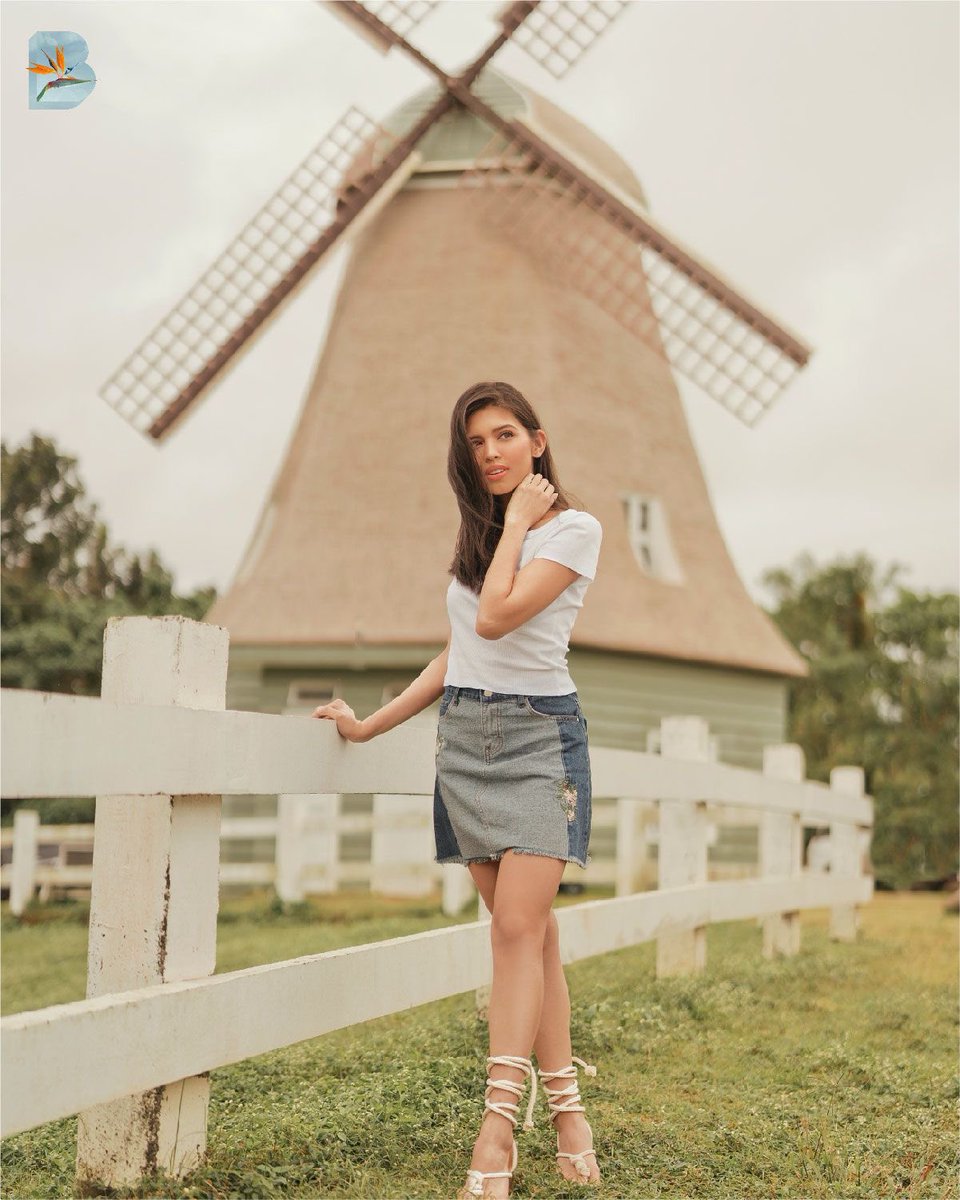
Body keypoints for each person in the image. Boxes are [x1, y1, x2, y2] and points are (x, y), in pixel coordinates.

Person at [312, 380, 603, 1198]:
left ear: (538, 442)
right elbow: (458, 656)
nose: (491, 453)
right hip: (466, 743)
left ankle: (497, 1128)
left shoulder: (574, 531)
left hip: (540, 739)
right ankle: (571, 1116)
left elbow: (498, 620)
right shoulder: (487, 540)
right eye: (477, 444)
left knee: (515, 929)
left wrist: (514, 526)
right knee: (531, 938)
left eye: (505, 435)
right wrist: (373, 725)